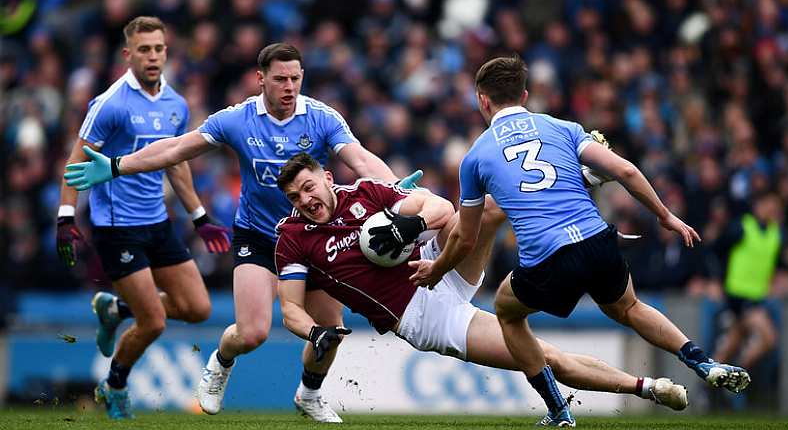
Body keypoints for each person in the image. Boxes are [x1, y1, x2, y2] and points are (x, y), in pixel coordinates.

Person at [64, 43, 420, 422]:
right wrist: (118, 166)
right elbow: (177, 149)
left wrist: (396, 186)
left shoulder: (321, 117)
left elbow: (359, 157)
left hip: (313, 238)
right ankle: (220, 362)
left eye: (295, 78)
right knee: (251, 333)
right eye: (280, 78)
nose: (289, 87)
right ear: (260, 78)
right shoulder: (237, 119)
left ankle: (309, 394)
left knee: (330, 330)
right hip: (260, 235)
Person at [409, 55, 751, 404]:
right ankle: (702, 360)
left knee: (506, 312)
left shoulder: (476, 157)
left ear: (482, 100)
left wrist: (437, 268)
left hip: (547, 256)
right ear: (524, 96)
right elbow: (627, 172)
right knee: (629, 308)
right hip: (597, 239)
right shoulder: (563, 128)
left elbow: (465, 238)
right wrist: (665, 215)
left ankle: (558, 409)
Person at [273, 152, 689, 427]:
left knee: (487, 208)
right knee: (547, 357)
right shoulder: (292, 237)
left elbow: (439, 207)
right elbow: (291, 308)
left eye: (309, 187)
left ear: (326, 178)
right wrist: (313, 332)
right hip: (423, 316)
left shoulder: (363, 192)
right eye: (295, 196)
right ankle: (647, 387)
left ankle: (577, 179)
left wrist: (411, 225)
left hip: (436, 267)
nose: (306, 199)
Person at [56, 16, 230, 420]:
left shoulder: (176, 105)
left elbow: (176, 163)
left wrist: (200, 216)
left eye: (159, 49)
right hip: (117, 227)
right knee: (153, 321)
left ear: (167, 51)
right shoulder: (110, 104)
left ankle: (116, 310)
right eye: (144, 49)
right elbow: (75, 161)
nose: (153, 56)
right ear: (128, 54)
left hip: (158, 221)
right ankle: (114, 385)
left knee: (198, 308)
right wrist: (66, 217)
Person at [713, 191, 784, 371]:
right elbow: (716, 249)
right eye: (769, 204)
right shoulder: (742, 227)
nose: (772, 209)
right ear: (758, 205)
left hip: (757, 295)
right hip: (739, 295)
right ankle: (737, 375)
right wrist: (716, 280)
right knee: (769, 338)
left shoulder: (776, 233)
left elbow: (777, 263)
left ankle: (708, 384)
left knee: (732, 343)